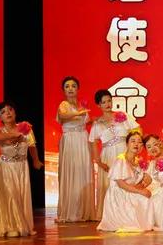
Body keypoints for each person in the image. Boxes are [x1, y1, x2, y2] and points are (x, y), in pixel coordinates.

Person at [0, 101, 42, 237]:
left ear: (15, 112)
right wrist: (17, 134)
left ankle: (23, 226)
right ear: (0, 117)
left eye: (10, 109)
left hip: (22, 167)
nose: (7, 113)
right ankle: (10, 226)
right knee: (10, 195)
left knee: (21, 195)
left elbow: (32, 146)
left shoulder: (26, 128)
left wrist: (36, 160)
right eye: (3, 112)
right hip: (6, 168)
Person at [88, 89, 140, 219]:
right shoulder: (97, 124)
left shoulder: (122, 116)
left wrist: (135, 147)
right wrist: (99, 162)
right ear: (98, 105)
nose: (107, 104)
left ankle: (129, 213)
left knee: (127, 181)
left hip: (124, 153)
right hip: (108, 156)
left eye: (109, 101)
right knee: (110, 184)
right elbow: (93, 142)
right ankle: (110, 215)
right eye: (104, 102)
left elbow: (137, 129)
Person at [56, 75, 96, 222]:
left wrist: (102, 119)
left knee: (83, 170)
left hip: (83, 138)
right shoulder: (63, 105)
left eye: (73, 86)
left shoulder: (81, 105)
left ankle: (85, 210)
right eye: (67, 86)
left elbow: (86, 121)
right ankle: (72, 210)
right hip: (70, 140)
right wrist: (79, 112)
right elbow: (63, 116)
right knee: (71, 170)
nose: (70, 89)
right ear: (64, 90)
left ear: (78, 89)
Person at [97, 129, 153, 232]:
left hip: (130, 190)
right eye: (133, 141)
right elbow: (121, 184)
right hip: (119, 194)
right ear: (127, 144)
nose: (136, 144)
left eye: (139, 142)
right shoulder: (121, 160)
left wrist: (146, 182)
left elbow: (137, 182)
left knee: (152, 196)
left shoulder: (138, 161)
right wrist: (140, 191)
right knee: (143, 199)